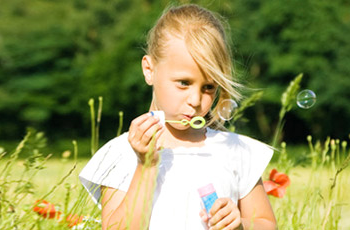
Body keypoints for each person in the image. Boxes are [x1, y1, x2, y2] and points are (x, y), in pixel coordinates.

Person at [79, 4, 278, 230]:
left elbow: (266, 223)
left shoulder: (235, 151)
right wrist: (146, 165)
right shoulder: (121, 154)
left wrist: (240, 224)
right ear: (149, 70)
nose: (196, 100)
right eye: (184, 83)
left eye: (209, 87)